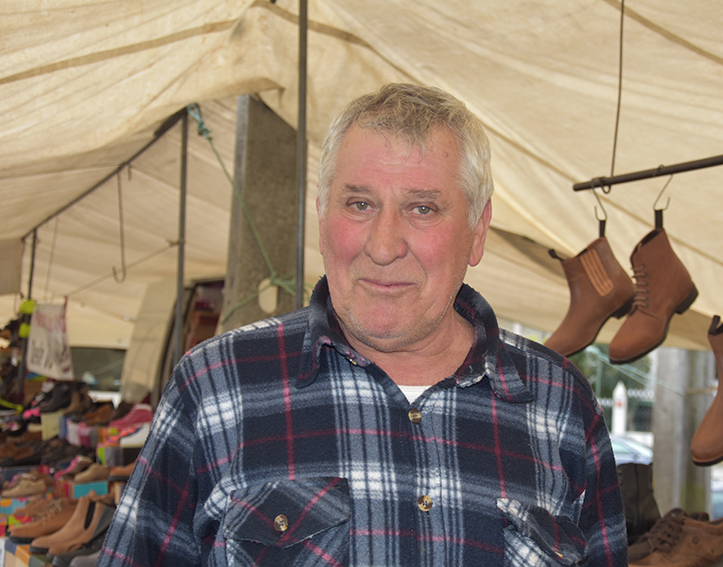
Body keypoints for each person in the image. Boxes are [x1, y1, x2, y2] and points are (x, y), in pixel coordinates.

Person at [97, 83, 627, 566]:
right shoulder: (216, 385)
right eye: (359, 204)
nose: (382, 245)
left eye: (422, 208)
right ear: (323, 215)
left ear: (477, 231)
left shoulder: (561, 404)